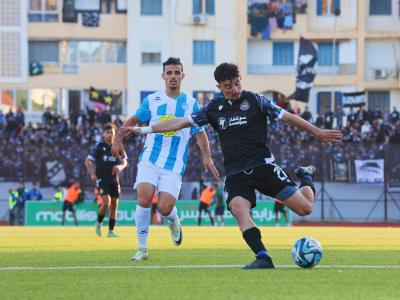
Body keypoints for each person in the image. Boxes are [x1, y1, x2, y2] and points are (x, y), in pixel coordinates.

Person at [127, 62, 342, 269]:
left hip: (263, 167)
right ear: (219, 87)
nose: (235, 89)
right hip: (236, 173)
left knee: (305, 208)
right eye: (228, 86)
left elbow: (288, 117)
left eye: (237, 83)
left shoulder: (256, 100)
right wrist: (144, 130)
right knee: (239, 209)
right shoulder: (213, 108)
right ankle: (263, 257)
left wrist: (318, 132)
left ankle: (305, 176)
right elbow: (180, 122)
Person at [113, 57, 219, 261]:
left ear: (182, 76)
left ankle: (173, 221)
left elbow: (200, 133)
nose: (173, 76)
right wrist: (118, 139)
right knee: (143, 198)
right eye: (169, 73)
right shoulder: (152, 100)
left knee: (164, 208)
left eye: (177, 73)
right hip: (150, 158)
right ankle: (142, 249)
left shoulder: (191, 103)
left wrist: (207, 156)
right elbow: (133, 120)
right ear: (163, 76)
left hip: (174, 164)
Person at [85, 122, 127, 238]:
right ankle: (99, 223)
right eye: (107, 132)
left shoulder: (118, 146)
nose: (109, 134)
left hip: (114, 179)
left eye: (111, 132)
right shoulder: (99, 146)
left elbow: (125, 161)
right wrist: (92, 174)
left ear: (114, 134)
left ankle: (111, 231)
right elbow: (88, 161)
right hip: (102, 178)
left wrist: (120, 167)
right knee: (106, 202)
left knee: (114, 205)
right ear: (104, 134)